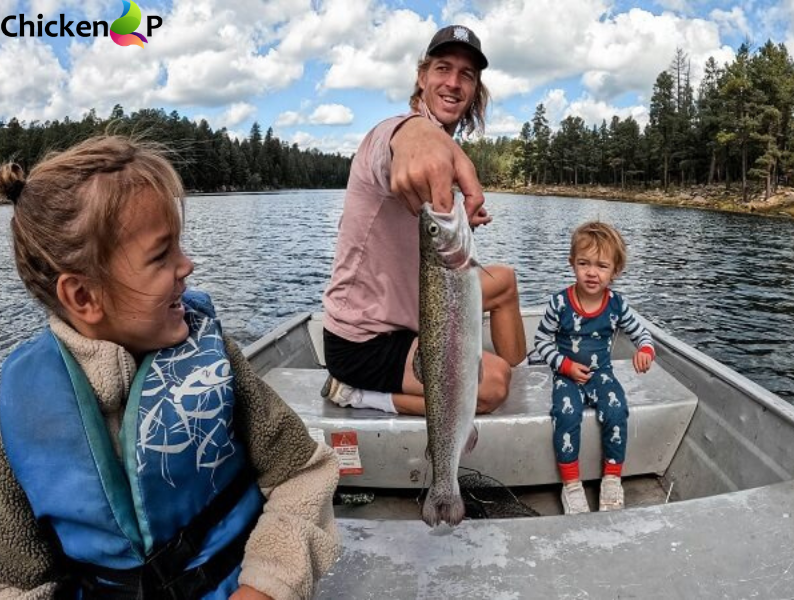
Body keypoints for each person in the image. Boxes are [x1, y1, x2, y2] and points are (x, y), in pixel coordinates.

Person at [0, 136, 340, 599]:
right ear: (83, 296)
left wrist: (266, 586)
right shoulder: (15, 413)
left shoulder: (216, 359)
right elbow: (17, 580)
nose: (187, 265)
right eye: (162, 255)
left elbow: (302, 474)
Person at [321, 24, 526, 416]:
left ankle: (527, 373)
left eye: (466, 74)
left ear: (475, 88)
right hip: (364, 340)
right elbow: (403, 141)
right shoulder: (392, 134)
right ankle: (356, 394)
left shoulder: (442, 158)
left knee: (505, 280)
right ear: (421, 77)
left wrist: (464, 224)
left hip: (414, 311)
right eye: (442, 68)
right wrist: (418, 133)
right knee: (493, 383)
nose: (453, 83)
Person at [533, 221, 655, 514]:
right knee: (566, 414)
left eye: (601, 266)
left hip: (601, 374)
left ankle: (612, 479)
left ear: (615, 271)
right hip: (567, 375)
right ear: (572, 263)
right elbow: (541, 340)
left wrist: (645, 350)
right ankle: (571, 485)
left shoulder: (616, 305)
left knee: (617, 410)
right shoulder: (560, 303)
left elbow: (641, 333)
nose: (591, 272)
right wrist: (564, 365)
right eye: (583, 263)